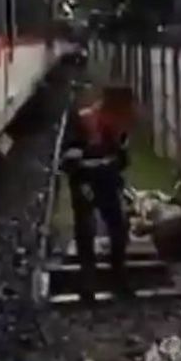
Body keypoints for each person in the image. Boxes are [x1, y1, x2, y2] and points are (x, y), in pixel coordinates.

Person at [61, 83, 135, 301]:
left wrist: (116, 159)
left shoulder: (114, 127)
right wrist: (84, 161)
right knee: (86, 228)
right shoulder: (84, 121)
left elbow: (122, 158)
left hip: (107, 182)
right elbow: (68, 159)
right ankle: (87, 280)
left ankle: (118, 276)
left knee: (119, 226)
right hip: (84, 182)